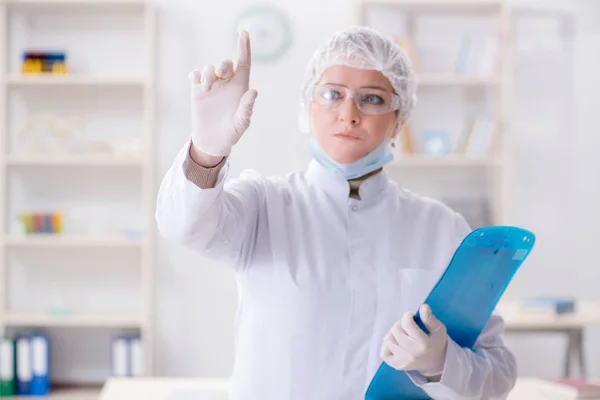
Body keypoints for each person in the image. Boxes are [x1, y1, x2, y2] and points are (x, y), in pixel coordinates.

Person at [156, 26, 517, 400]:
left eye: (372, 99)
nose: (348, 114)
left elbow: (498, 373)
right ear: (307, 107)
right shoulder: (263, 206)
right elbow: (183, 226)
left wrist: (442, 363)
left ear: (399, 119)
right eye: (332, 95)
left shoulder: (442, 228)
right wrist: (207, 152)